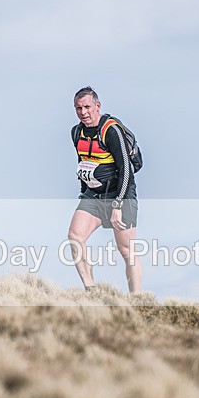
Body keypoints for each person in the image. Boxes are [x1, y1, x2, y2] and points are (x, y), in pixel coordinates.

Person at [67, 86, 142, 293]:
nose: (83, 112)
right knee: (75, 235)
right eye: (78, 108)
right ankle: (91, 290)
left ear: (97, 106)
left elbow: (126, 169)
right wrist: (84, 192)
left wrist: (118, 205)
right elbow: (83, 162)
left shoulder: (111, 130)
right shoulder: (76, 132)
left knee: (126, 251)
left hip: (120, 194)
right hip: (94, 195)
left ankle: (136, 301)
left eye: (87, 107)